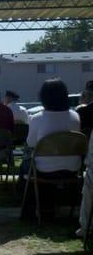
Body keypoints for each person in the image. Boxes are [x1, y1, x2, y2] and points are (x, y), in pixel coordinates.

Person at [20, 79, 81, 218]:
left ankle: (30, 209)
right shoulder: (75, 116)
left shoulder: (36, 118)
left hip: (44, 169)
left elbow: (30, 143)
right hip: (72, 168)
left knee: (25, 166)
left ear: (43, 97)